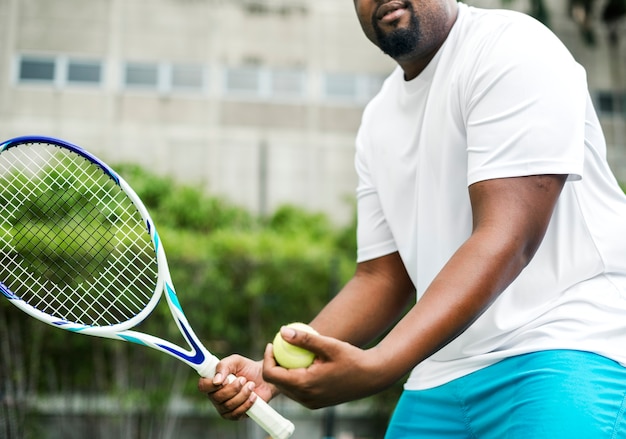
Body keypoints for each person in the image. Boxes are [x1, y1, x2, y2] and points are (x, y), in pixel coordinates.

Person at [198, 0, 626, 437]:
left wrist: (380, 363)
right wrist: (271, 371)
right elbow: (381, 277)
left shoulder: (513, 48)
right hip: (440, 376)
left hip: (563, 349)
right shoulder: (378, 118)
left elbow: (507, 237)